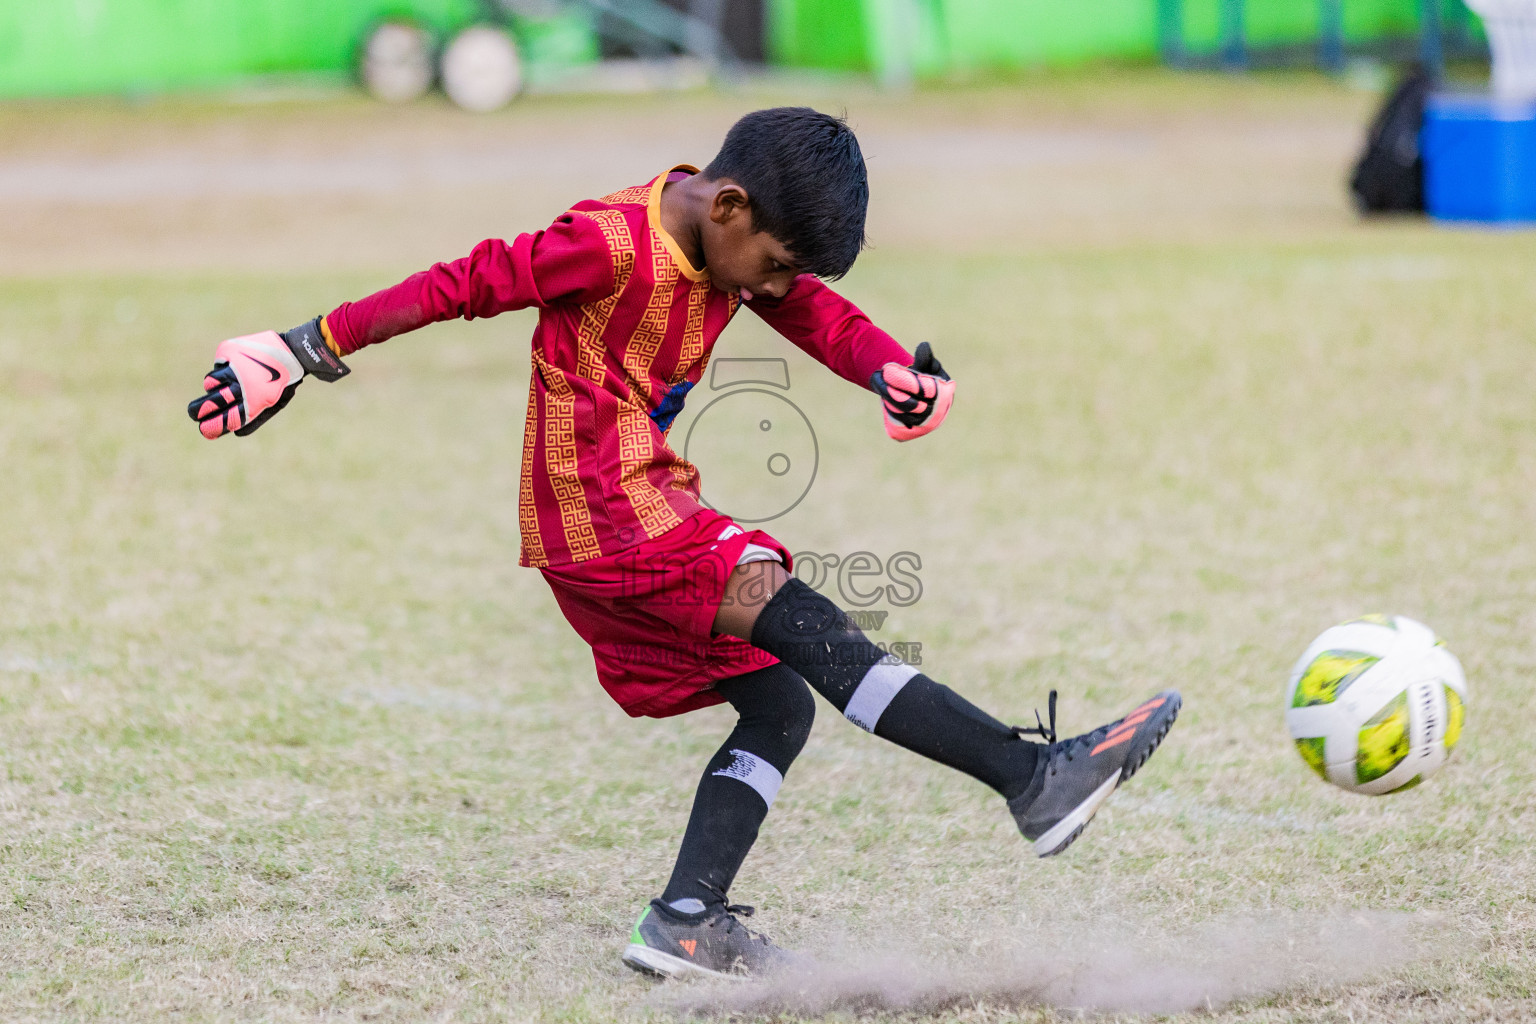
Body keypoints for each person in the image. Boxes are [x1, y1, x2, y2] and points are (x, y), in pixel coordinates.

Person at [186, 107, 1181, 981]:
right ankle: (1030, 778)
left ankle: (686, 921)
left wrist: (885, 371)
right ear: (731, 207)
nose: (780, 285)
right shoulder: (609, 243)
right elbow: (473, 279)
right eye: (777, 263)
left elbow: (811, 309)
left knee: (780, 699)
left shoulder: (727, 237)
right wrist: (301, 348)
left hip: (625, 506)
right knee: (807, 621)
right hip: (601, 507)